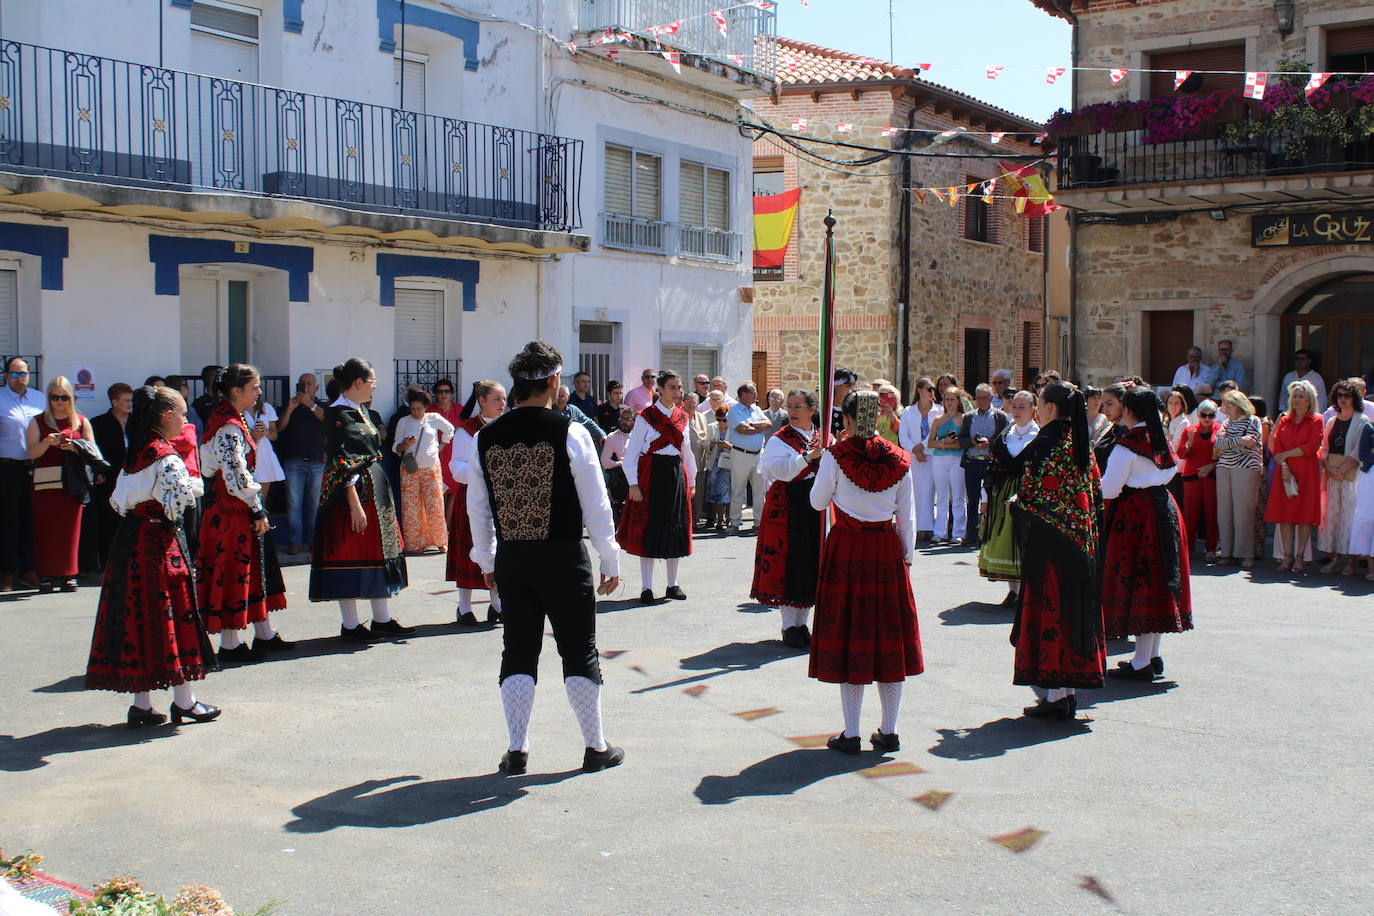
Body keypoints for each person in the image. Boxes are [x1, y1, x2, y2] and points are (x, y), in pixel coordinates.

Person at [466, 340, 625, 775]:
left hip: (514, 557)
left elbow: (477, 508)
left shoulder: (484, 436)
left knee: (518, 650)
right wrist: (609, 557)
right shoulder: (570, 431)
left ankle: (517, 749)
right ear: (554, 381)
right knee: (578, 649)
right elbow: (596, 503)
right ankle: (595, 746)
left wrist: (486, 560)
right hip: (563, 556)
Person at [85, 385, 221, 728]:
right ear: (166, 415)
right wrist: (193, 486)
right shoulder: (166, 456)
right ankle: (185, 701)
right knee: (173, 617)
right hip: (159, 543)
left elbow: (117, 502)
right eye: (183, 415)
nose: (186, 422)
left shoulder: (136, 450)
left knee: (138, 618)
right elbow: (179, 504)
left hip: (129, 543)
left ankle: (142, 704)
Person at [808, 390, 921, 754]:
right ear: (880, 418)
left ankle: (852, 732)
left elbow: (817, 502)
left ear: (848, 419)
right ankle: (890, 730)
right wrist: (907, 558)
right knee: (888, 638)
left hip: (848, 548)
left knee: (850, 637)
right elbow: (908, 517)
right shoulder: (899, 459)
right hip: (886, 550)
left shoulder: (835, 456)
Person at [1013, 382, 1105, 721]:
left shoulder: (1046, 443)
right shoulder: (1081, 442)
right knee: (1074, 610)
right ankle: (1066, 692)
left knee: (1051, 611)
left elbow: (1031, 496)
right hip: (1081, 541)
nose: (1038, 409)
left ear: (1050, 407)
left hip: (1049, 544)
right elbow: (1095, 492)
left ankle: (1054, 694)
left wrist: (1015, 505)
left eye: (1039, 403)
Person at [310, 358, 413, 641]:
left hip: (374, 491)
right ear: (358, 382)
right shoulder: (336, 414)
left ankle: (382, 619)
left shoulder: (361, 410)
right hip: (351, 496)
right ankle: (351, 624)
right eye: (372, 381)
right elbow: (339, 461)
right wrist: (354, 505)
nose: (374, 386)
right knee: (350, 553)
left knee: (377, 553)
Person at [196, 365, 290, 662]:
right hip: (230, 511)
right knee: (233, 572)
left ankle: (264, 634)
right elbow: (235, 474)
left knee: (254, 569)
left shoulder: (233, 419)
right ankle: (230, 644)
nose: (259, 392)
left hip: (233, 507)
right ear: (236, 391)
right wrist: (256, 507)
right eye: (254, 387)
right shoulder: (227, 425)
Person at [1101, 386, 1193, 682]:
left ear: (1128, 410)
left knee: (1141, 582)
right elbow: (1171, 469)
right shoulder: (1157, 437)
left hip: (1136, 515)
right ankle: (1151, 655)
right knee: (1158, 581)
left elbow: (1110, 488)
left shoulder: (1127, 445)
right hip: (1163, 506)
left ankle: (1142, 661)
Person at [752, 389, 824, 649]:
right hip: (787, 504)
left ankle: (802, 624)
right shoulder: (779, 439)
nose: (792, 411)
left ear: (812, 409)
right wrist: (807, 458)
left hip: (814, 503)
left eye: (798, 406)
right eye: (790, 406)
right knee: (787, 561)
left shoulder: (821, 436)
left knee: (808, 561)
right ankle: (788, 626)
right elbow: (777, 470)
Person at [619, 369, 696, 603]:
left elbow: (687, 452)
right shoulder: (646, 416)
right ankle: (647, 588)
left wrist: (692, 481)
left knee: (675, 527)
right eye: (672, 387)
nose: (677, 391)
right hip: (651, 474)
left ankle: (673, 585)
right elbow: (632, 452)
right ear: (660, 389)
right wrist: (633, 484)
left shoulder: (683, 417)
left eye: (679, 387)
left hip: (675, 474)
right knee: (650, 528)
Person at [26, 376, 97, 592]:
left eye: (64, 397)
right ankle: (46, 575)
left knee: (70, 531)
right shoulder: (38, 421)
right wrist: (48, 442)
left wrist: (74, 447)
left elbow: (93, 451)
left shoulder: (81, 421)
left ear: (71, 398)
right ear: (48, 398)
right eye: (54, 397)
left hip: (71, 483)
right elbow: (32, 453)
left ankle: (69, 574)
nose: (59, 402)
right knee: (45, 529)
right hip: (45, 484)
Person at [448, 380, 507, 626]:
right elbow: (456, 467)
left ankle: (497, 604)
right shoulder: (466, 430)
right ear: (482, 401)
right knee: (468, 551)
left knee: (498, 551)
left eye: (504, 399)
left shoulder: (507, 427)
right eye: (496, 399)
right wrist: (484, 472)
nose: (502, 404)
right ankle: (464, 607)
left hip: (500, 498)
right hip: (472, 497)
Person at [978, 389, 1038, 604]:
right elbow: (992, 466)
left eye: (1022, 407)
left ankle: (1026, 592)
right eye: (1014, 406)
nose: (1017, 411)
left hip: (1025, 491)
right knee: (1004, 539)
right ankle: (1013, 591)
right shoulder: (1006, 434)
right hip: (1001, 492)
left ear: (1033, 410)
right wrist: (985, 498)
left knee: (1022, 540)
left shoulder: (1038, 436)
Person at [1265, 379, 1325, 573]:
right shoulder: (1284, 420)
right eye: (1294, 396)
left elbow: (1312, 446)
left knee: (1304, 516)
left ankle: (1300, 557)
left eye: (1301, 396)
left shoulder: (1316, 420)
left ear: (1309, 400)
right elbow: (1276, 444)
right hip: (1285, 472)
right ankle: (1287, 556)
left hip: (1306, 472)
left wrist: (1286, 455)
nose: (1297, 399)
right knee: (1285, 516)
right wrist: (1283, 464)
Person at [394, 387, 456, 554]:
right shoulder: (403, 422)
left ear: (426, 407)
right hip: (410, 470)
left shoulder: (433, 418)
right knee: (411, 508)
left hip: (431, 468)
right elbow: (396, 447)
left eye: (419, 409)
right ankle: (415, 544)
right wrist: (405, 444)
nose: (416, 412)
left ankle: (441, 541)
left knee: (435, 505)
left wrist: (441, 445)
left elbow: (450, 429)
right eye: (413, 409)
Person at [1318, 379, 1371, 575]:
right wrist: (1330, 468)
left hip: (1352, 476)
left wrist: (1342, 469)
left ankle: (1352, 561)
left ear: (1354, 398)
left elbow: (1358, 449)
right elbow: (1324, 448)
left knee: (1350, 518)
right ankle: (1336, 558)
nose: (1343, 399)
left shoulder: (1362, 421)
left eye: (1347, 395)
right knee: (1333, 518)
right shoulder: (1332, 421)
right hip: (1332, 475)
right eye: (1339, 395)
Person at [1, 356, 43, 592]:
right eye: (15, 374)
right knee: (8, 521)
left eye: (23, 374)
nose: (19, 378)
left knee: (33, 520)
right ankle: (7, 573)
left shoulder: (39, 399)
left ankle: (29, 570)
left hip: (37, 467)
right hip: (8, 468)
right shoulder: (0, 399)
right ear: (7, 376)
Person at [1210, 391, 1263, 568]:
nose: (1224, 407)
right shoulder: (1226, 422)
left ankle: (1245, 554)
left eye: (1228, 404)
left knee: (1243, 512)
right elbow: (1218, 444)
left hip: (1246, 468)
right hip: (1224, 468)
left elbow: (1250, 445)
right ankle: (1227, 552)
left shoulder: (1253, 420)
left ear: (1239, 404)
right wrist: (1239, 440)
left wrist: (1230, 444)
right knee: (1224, 512)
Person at [277, 373, 326, 556]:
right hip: (294, 462)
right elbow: (280, 427)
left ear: (316, 387)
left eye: (309, 384)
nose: (306, 387)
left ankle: (314, 542)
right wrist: (291, 408)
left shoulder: (322, 406)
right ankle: (294, 542)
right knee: (294, 504)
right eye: (303, 384)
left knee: (314, 505)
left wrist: (310, 405)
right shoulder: (291, 405)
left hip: (316, 462)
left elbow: (327, 420)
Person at [89, 383, 134, 567]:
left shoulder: (136, 423)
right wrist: (99, 473)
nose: (130, 404)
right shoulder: (99, 424)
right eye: (126, 400)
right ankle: (108, 564)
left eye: (131, 400)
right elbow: (94, 453)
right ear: (115, 402)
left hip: (132, 481)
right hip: (109, 481)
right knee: (108, 523)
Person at [959, 384, 1009, 548]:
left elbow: (1004, 439)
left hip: (990, 462)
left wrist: (990, 442)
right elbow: (961, 439)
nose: (981, 401)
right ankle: (971, 535)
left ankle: (989, 535)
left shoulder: (1000, 416)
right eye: (978, 398)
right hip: (972, 461)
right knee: (972, 499)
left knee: (991, 499)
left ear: (991, 398)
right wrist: (972, 442)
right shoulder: (969, 417)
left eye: (984, 398)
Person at [899, 377, 943, 544]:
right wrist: (915, 450)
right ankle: (917, 528)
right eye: (929, 388)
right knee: (915, 493)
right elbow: (903, 435)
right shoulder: (908, 411)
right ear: (919, 390)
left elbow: (937, 432)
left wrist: (922, 446)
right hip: (914, 458)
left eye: (933, 389)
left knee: (930, 493)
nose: (932, 392)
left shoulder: (939, 410)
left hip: (932, 456)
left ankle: (929, 527)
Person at [1177, 399, 1220, 561]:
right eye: (1203, 415)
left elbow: (1223, 454)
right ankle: (1187, 548)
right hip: (1192, 477)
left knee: (1212, 513)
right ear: (1198, 415)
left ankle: (1211, 548)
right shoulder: (1189, 430)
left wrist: (1211, 466)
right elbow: (1181, 454)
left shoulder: (1220, 430)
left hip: (1211, 475)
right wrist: (1189, 441)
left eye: (1211, 415)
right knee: (1190, 513)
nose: (1207, 418)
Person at [726, 382, 771, 535]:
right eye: (753, 392)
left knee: (760, 491)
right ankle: (734, 522)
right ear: (743, 394)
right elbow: (742, 429)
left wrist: (751, 424)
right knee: (738, 490)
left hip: (758, 454)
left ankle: (759, 523)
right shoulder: (733, 411)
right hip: (741, 454)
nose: (756, 395)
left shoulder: (756, 409)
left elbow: (768, 424)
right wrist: (758, 427)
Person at [927, 387, 967, 544]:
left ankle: (958, 532)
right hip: (939, 460)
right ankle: (939, 532)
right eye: (947, 399)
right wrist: (945, 442)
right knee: (942, 497)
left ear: (958, 401)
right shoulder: (938, 420)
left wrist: (944, 444)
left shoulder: (964, 419)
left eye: (952, 399)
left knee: (958, 496)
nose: (949, 403)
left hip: (957, 459)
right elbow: (930, 443)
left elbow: (962, 443)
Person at [425, 378, 463, 515]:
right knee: (439, 491)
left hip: (455, 452)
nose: (443, 394)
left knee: (454, 489)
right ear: (435, 394)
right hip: (438, 453)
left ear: (451, 393)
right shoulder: (430, 411)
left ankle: (449, 524)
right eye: (440, 391)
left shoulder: (459, 409)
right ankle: (441, 525)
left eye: (447, 391)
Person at [244, 393, 283, 509]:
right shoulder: (238, 409)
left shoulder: (266, 408)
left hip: (265, 458)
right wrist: (252, 435)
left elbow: (275, 435)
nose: (258, 392)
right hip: (246, 458)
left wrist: (265, 431)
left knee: (260, 503)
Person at [1348, 409, 1374, 581]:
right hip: (1370, 479)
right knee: (1368, 521)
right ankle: (1371, 569)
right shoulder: (1369, 428)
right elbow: (1363, 454)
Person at [600, 406, 635, 526]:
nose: (625, 422)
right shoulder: (612, 437)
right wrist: (621, 463)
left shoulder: (637, 437)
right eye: (623, 418)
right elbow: (605, 461)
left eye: (628, 419)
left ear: (633, 422)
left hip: (636, 476)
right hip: (620, 479)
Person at [703, 402, 733, 530]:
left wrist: (729, 446)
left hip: (729, 464)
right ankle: (720, 519)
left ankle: (729, 518)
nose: (721, 423)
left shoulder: (734, 428)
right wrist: (711, 444)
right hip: (715, 465)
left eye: (724, 420)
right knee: (716, 494)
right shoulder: (712, 427)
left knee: (729, 492)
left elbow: (739, 447)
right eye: (718, 419)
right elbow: (704, 444)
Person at [683, 393, 710, 524]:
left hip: (700, 461)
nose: (692, 404)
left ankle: (695, 518)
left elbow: (705, 437)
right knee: (685, 492)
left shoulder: (702, 417)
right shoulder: (680, 416)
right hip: (685, 463)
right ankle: (685, 518)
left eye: (694, 402)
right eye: (689, 401)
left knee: (698, 493)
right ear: (684, 402)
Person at [555, 385, 606, 452]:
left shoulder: (573, 410)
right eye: (558, 396)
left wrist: (601, 435)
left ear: (568, 397)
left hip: (572, 448)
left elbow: (588, 422)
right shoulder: (549, 410)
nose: (560, 399)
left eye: (563, 396)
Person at [1278, 350, 1326, 414]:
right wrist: (1283, 413)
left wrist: (1318, 415)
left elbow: (1322, 399)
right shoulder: (1288, 377)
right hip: (1290, 415)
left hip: (1309, 415)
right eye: (1297, 359)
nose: (1299, 361)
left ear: (1309, 361)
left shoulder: (1316, 378)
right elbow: (1283, 397)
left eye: (1302, 359)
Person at [1094, 383, 1128, 472]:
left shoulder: (1128, 432)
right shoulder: (1112, 429)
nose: (1105, 410)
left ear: (1122, 403)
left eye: (1109, 404)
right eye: (1103, 405)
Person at [1166, 386, 1197, 452]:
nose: (1173, 406)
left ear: (1181, 405)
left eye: (1176, 403)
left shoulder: (1183, 423)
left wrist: (1166, 437)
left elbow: (1175, 448)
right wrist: (1170, 438)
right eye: (1170, 403)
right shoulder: (1170, 421)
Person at [829, 368, 857, 438]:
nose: (852, 389)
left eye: (853, 385)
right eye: (849, 385)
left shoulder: (855, 411)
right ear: (836, 387)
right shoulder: (824, 412)